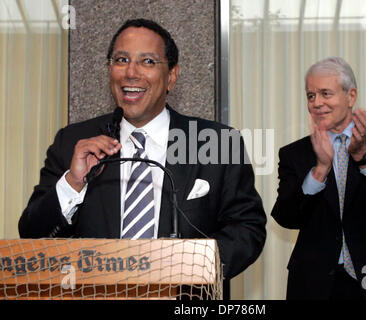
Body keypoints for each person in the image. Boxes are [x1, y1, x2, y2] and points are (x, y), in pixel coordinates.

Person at [19, 19, 266, 298]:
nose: (131, 73)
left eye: (147, 61)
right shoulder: (73, 142)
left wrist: (187, 267)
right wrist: (73, 183)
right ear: (110, 69)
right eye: (121, 60)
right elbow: (32, 237)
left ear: (172, 76)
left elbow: (248, 230)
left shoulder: (217, 142)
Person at [271, 56, 366, 300]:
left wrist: (364, 156)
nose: (317, 103)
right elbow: (286, 216)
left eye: (325, 93)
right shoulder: (295, 153)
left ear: (351, 96)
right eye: (311, 95)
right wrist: (320, 170)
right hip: (318, 283)